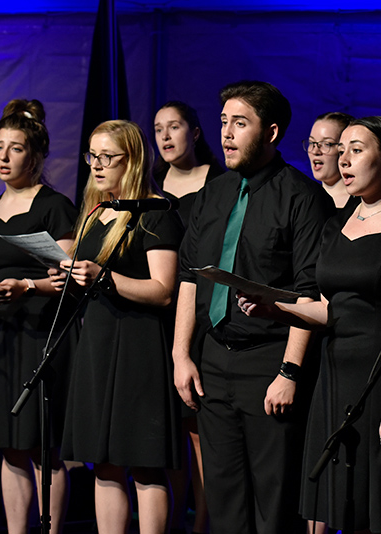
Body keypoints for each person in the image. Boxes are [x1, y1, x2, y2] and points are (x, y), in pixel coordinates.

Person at [238, 116, 381, 533]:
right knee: (331, 504)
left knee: (378, 505)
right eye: (341, 150)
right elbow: (330, 310)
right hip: (333, 379)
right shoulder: (336, 225)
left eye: (356, 150)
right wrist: (274, 308)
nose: (343, 160)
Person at [172, 80, 335, 534]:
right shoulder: (213, 192)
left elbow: (310, 291)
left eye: (240, 123)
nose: (226, 133)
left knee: (273, 501)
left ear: (273, 132)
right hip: (213, 361)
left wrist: (289, 372)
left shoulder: (303, 198)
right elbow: (189, 275)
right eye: (223, 122)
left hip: (268, 364)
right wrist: (181, 354)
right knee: (223, 500)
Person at [0, 99, 77, 534]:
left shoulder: (54, 205)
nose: (4, 157)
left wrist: (27, 286)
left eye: (16, 148)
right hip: (6, 333)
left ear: (36, 156)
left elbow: (67, 277)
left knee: (44, 446)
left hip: (43, 333)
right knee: (10, 447)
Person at [55, 120, 184, 534]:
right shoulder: (96, 212)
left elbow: (164, 291)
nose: (96, 165)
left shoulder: (156, 213)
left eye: (107, 157)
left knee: (144, 463)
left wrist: (103, 278)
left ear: (132, 160)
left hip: (139, 346)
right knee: (104, 463)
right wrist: (69, 279)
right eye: (92, 155)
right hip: (97, 341)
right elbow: (89, 280)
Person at [152, 100, 222, 534]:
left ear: (194, 132)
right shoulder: (149, 187)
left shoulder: (219, 183)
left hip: (199, 315)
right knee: (165, 430)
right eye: (157, 128)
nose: (164, 136)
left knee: (196, 428)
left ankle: (205, 523)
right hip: (153, 319)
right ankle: (173, 519)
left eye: (173, 126)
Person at [303, 111, 355, 209]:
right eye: (311, 142)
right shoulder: (303, 200)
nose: (315, 151)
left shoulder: (362, 204)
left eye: (327, 144)